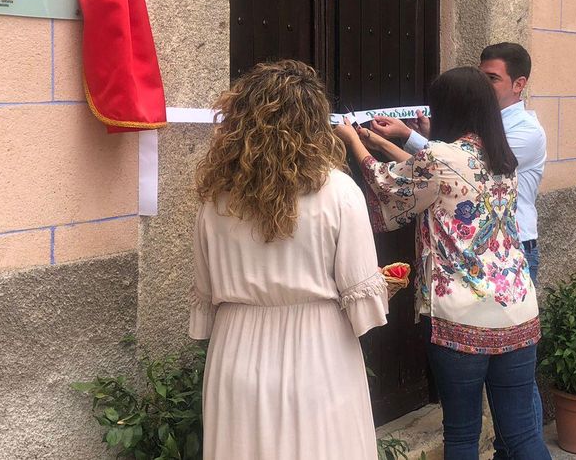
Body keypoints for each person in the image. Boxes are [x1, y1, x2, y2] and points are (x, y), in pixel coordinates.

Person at [335, 66, 551, 460]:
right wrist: (380, 143)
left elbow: (392, 187)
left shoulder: (439, 155)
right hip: (518, 313)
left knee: (463, 435)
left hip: (461, 318)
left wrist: (354, 141)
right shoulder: (501, 158)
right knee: (521, 434)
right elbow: (434, 179)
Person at [188, 60, 388, 460]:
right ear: (315, 122)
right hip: (318, 356)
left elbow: (206, 295)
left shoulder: (216, 201)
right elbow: (363, 309)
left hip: (236, 354)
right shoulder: (340, 192)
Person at [372, 43, 548, 282]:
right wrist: (431, 135)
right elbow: (451, 158)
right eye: (481, 78)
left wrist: (406, 136)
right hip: (472, 244)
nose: (483, 86)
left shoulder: (527, 132)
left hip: (512, 244)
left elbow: (463, 166)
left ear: (519, 84)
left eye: (492, 79)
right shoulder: (479, 127)